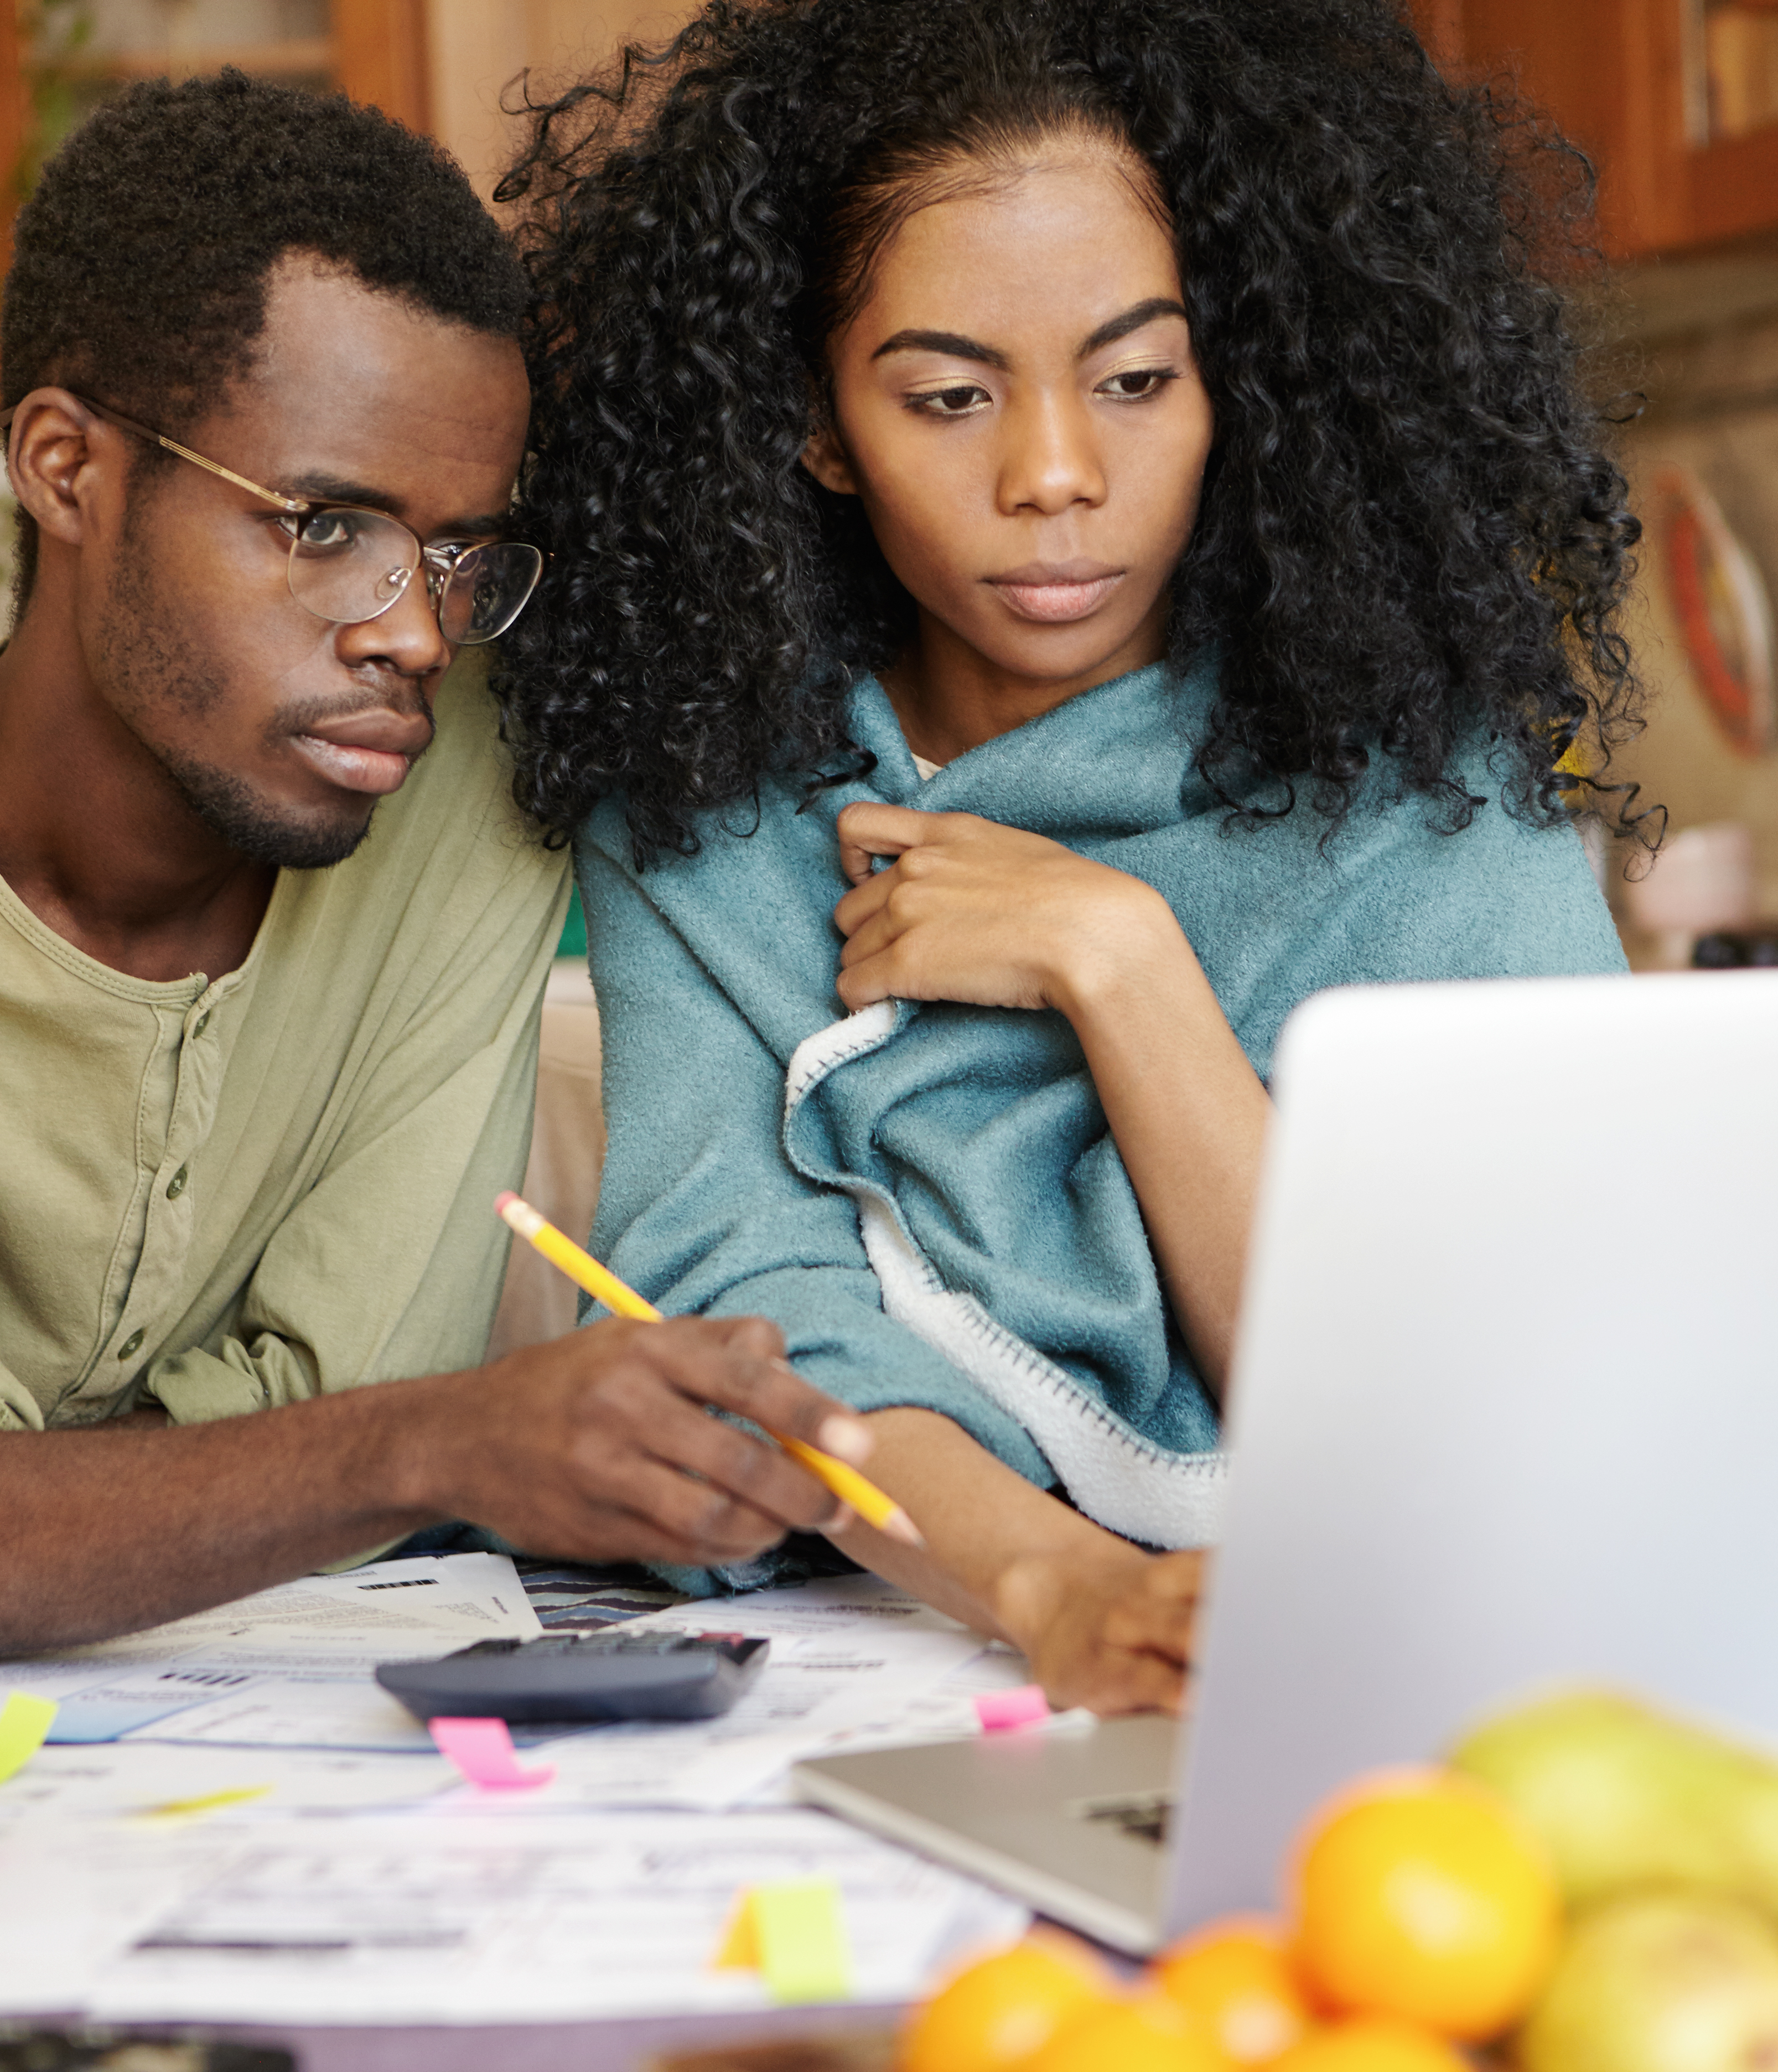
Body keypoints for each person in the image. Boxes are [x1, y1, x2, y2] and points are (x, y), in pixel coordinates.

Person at [0, 73, 877, 1668]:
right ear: (65, 469)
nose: (415, 630)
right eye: (323, 525)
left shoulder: (471, 798)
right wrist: (427, 1442)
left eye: (458, 554)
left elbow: (310, 1423)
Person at [493, 0, 1646, 1713]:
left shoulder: (1429, 800)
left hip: (1447, 1665)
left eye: (1134, 380)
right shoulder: (712, 804)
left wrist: (1119, 964)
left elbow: (1447, 1406)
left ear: (1232, 386)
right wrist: (1062, 1587)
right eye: (951, 397)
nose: (1055, 475)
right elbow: (742, 1315)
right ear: (819, 426)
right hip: (906, 1662)